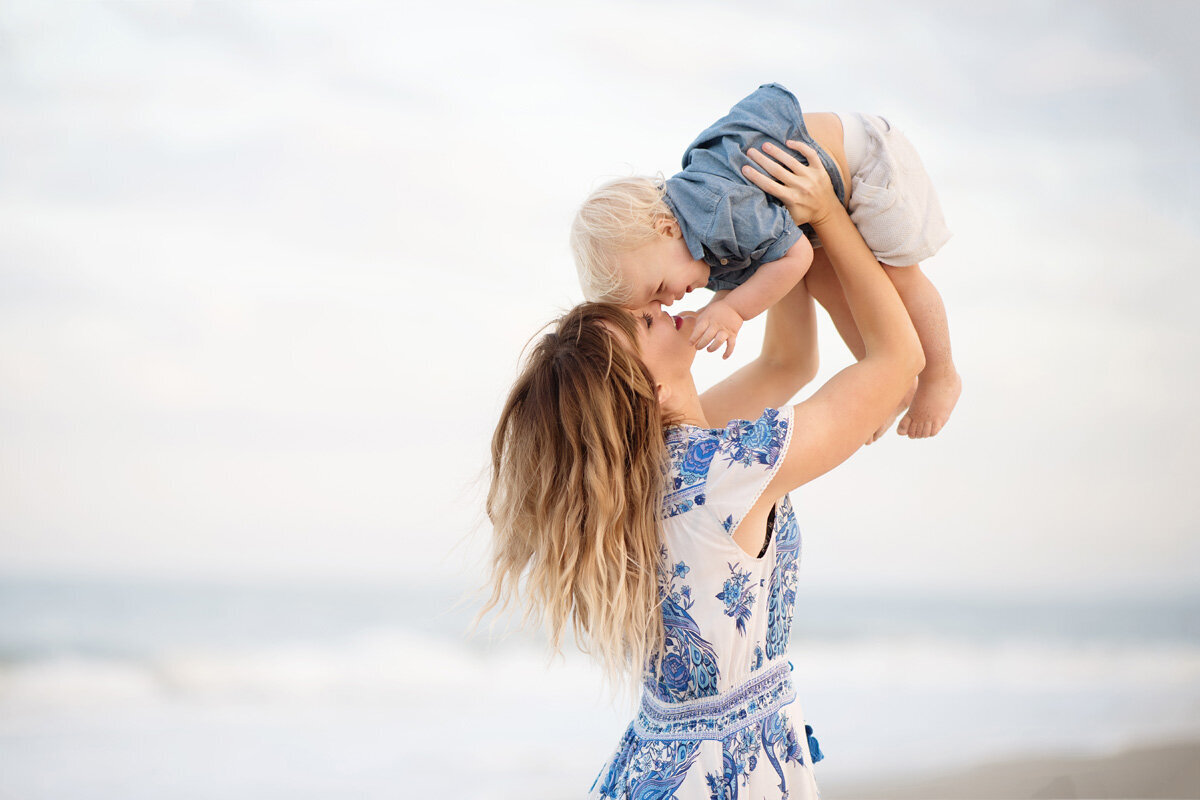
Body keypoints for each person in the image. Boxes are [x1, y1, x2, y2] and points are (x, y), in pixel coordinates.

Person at [484, 142, 923, 798]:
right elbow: (897, 364)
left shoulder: (660, 464)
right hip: (722, 775)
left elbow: (788, 364)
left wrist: (775, 238)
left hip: (664, 761)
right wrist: (827, 215)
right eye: (642, 321)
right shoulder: (720, 468)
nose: (659, 306)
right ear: (647, 390)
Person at [571, 83, 960, 441]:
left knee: (901, 276)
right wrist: (722, 308)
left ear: (667, 228)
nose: (670, 301)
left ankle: (941, 377)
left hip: (865, 161)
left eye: (656, 296)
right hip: (820, 199)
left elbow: (793, 260)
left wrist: (733, 311)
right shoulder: (690, 246)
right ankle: (890, 383)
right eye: (652, 313)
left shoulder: (720, 212)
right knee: (827, 284)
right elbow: (772, 285)